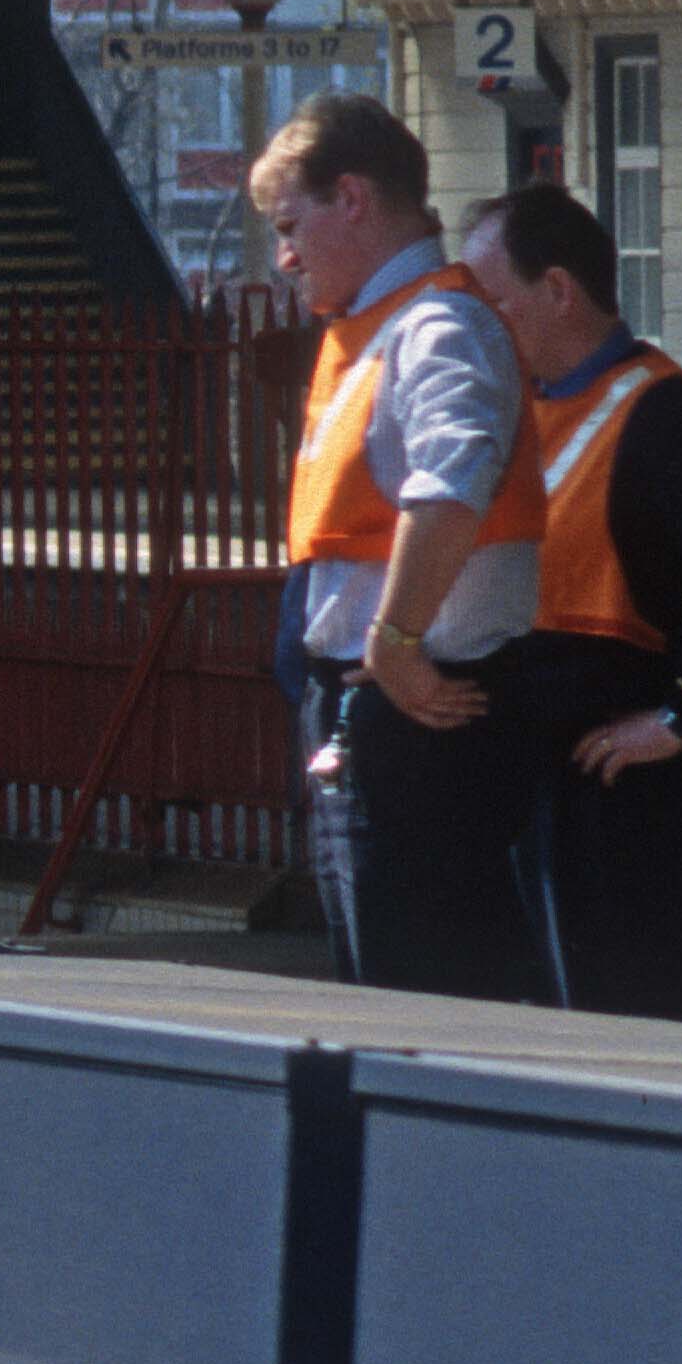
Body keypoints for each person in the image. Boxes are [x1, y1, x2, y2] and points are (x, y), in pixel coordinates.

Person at [460, 183, 682, 1020]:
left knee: (629, 1026)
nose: (479, 327)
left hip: (621, 797)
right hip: (535, 781)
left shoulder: (666, 415)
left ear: (558, 289)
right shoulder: (524, 409)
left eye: (494, 304)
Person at [250, 92, 543, 999]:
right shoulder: (388, 329)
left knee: (419, 998)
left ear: (352, 198)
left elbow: (453, 478)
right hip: (393, 711)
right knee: (398, 986)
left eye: (289, 225)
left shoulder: (435, 327)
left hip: (418, 717)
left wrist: (394, 640)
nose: (284, 256)